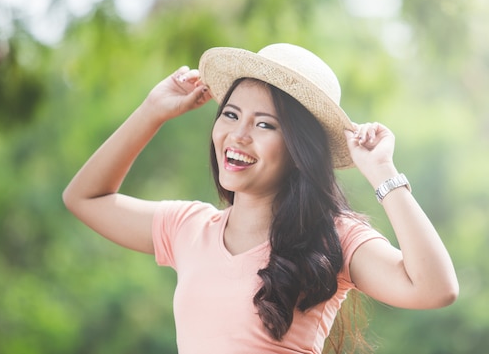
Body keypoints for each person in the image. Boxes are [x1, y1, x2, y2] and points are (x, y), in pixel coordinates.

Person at [62, 43, 458, 354]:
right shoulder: (188, 227)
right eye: (231, 115)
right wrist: (151, 112)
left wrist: (383, 172)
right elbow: (84, 197)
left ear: (299, 148)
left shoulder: (332, 239)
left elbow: (435, 288)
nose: (238, 135)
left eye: (265, 124)